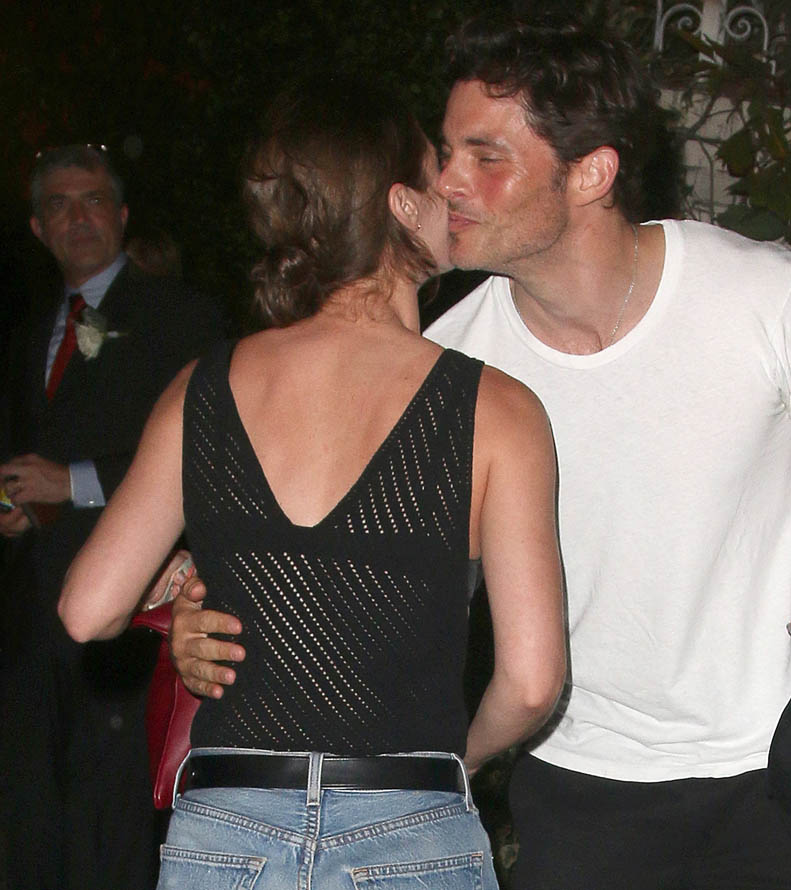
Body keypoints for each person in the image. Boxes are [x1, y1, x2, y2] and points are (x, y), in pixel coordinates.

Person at [169, 15, 791, 890]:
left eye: (486, 157)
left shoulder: (759, 296)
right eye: (445, 152)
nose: (445, 183)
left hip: (778, 776)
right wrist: (204, 623)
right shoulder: (450, 369)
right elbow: (325, 561)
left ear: (591, 173)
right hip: (577, 794)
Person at [57, 78, 565, 889]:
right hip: (409, 828)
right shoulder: (496, 411)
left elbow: (88, 609)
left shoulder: (205, 388)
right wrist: (449, 764)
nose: (451, 188)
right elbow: (533, 682)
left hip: (227, 830)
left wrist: (180, 586)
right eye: (434, 169)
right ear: (400, 205)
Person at [0, 144, 225, 890]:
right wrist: (14, 507)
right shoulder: (26, 331)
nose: (78, 217)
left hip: (131, 614)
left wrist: (75, 483)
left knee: (115, 823)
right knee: (32, 815)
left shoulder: (179, 316)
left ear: (123, 215)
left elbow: (207, 451)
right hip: (29, 617)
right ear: (38, 228)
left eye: (93, 199)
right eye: (59, 205)